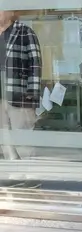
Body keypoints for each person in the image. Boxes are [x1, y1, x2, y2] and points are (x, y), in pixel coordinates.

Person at [0, 10, 42, 161]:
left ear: (10, 12)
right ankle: (13, 171)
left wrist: (32, 93)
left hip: (19, 94)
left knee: (23, 138)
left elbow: (35, 64)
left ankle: (29, 173)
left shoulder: (24, 32)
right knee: (4, 138)